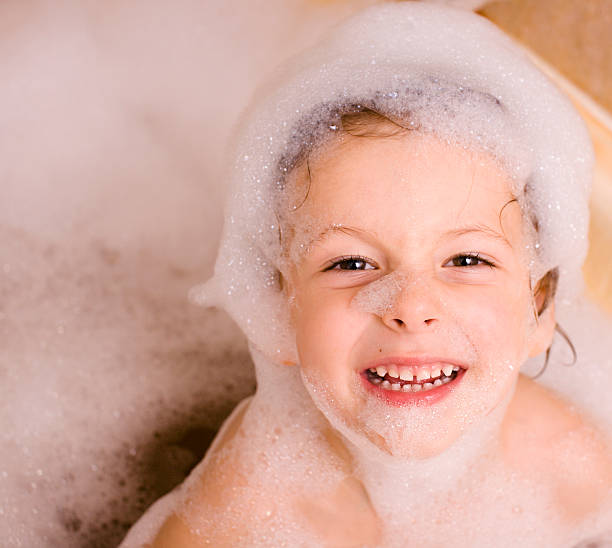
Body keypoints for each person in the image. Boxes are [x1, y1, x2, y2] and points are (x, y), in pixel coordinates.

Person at [121, 3, 612, 546]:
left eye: (466, 261)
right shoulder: (242, 512)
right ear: (279, 309)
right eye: (351, 263)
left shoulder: (571, 465)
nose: (409, 305)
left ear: (537, 309)